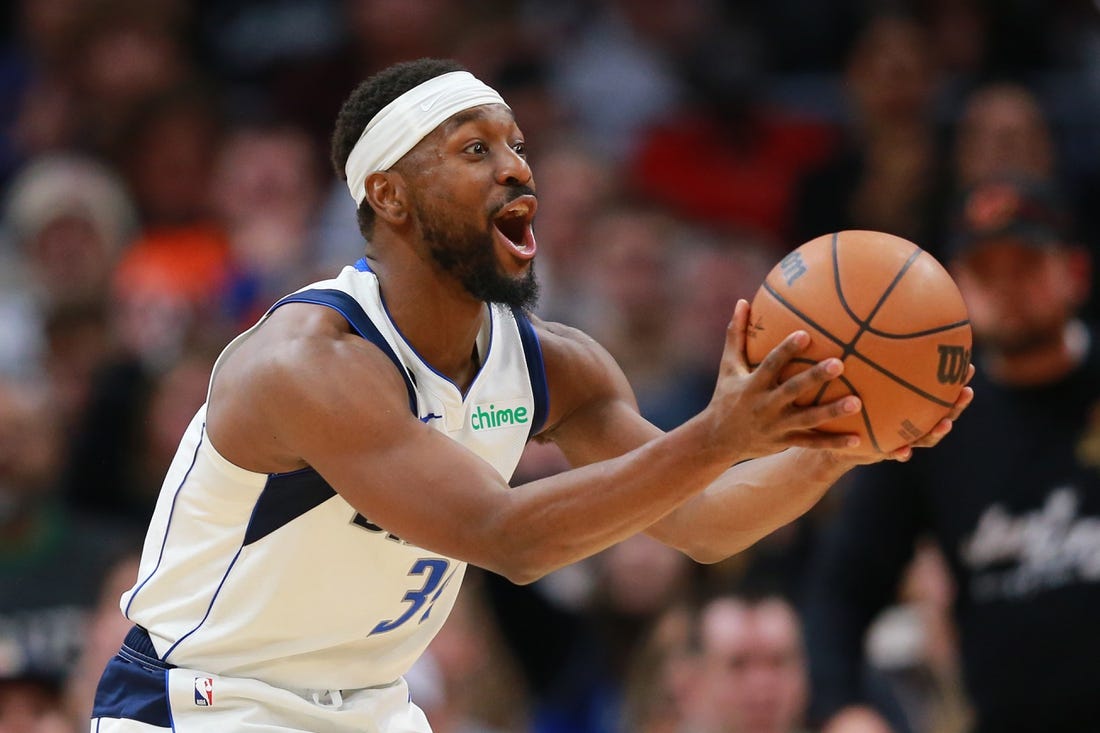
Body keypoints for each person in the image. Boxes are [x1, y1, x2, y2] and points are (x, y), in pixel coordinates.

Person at [88, 57, 967, 732]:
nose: (517, 169)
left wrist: (836, 446)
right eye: (476, 149)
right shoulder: (308, 362)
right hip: (204, 701)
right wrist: (717, 434)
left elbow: (702, 524)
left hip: (370, 705)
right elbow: (505, 537)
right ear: (389, 195)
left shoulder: (557, 365)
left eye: (517, 144)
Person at [803, 173, 1100, 733]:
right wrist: (843, 709)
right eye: (986, 272)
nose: (1007, 287)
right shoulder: (934, 420)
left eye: (1027, 266)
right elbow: (842, 588)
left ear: (1075, 273)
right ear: (957, 290)